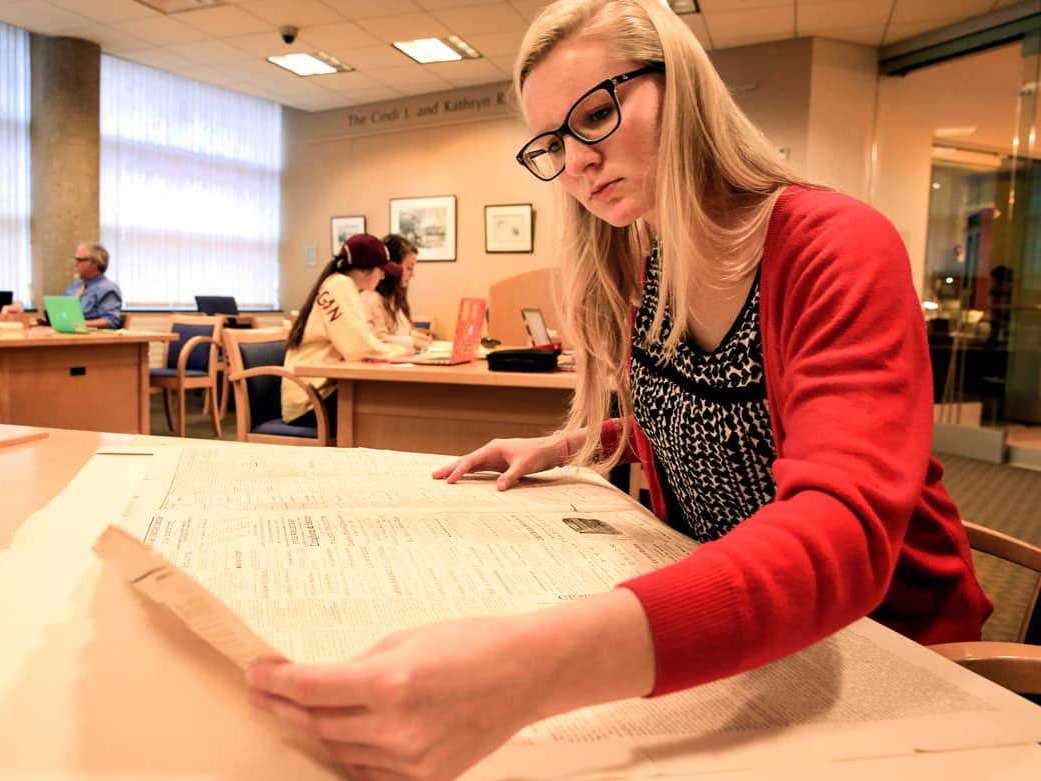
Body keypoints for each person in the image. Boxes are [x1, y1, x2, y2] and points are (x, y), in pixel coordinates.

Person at [246, 2, 992, 779]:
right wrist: (577, 441)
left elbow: (840, 530)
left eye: (597, 113)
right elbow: (708, 417)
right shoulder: (647, 258)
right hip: (750, 639)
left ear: (686, 89)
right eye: (551, 145)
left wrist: (529, 665)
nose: (575, 163)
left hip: (894, 648)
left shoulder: (836, 244)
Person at [282, 233, 414, 434]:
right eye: (381, 270)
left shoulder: (340, 284)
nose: (383, 276)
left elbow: (361, 342)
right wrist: (404, 349)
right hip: (311, 403)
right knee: (394, 405)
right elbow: (359, 349)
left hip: (317, 393)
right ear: (363, 270)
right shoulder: (340, 285)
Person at [361, 234, 433, 352]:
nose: (413, 274)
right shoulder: (371, 299)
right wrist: (412, 341)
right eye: (409, 268)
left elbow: (398, 331)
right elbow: (378, 341)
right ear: (392, 268)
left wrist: (415, 335)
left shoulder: (393, 299)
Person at [64, 242, 122, 329]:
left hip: (90, 338)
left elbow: (111, 320)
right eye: (75, 260)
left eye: (80, 261)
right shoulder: (74, 286)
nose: (75, 265)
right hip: (67, 334)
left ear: (95, 263)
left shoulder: (107, 289)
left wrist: (80, 324)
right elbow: (64, 313)